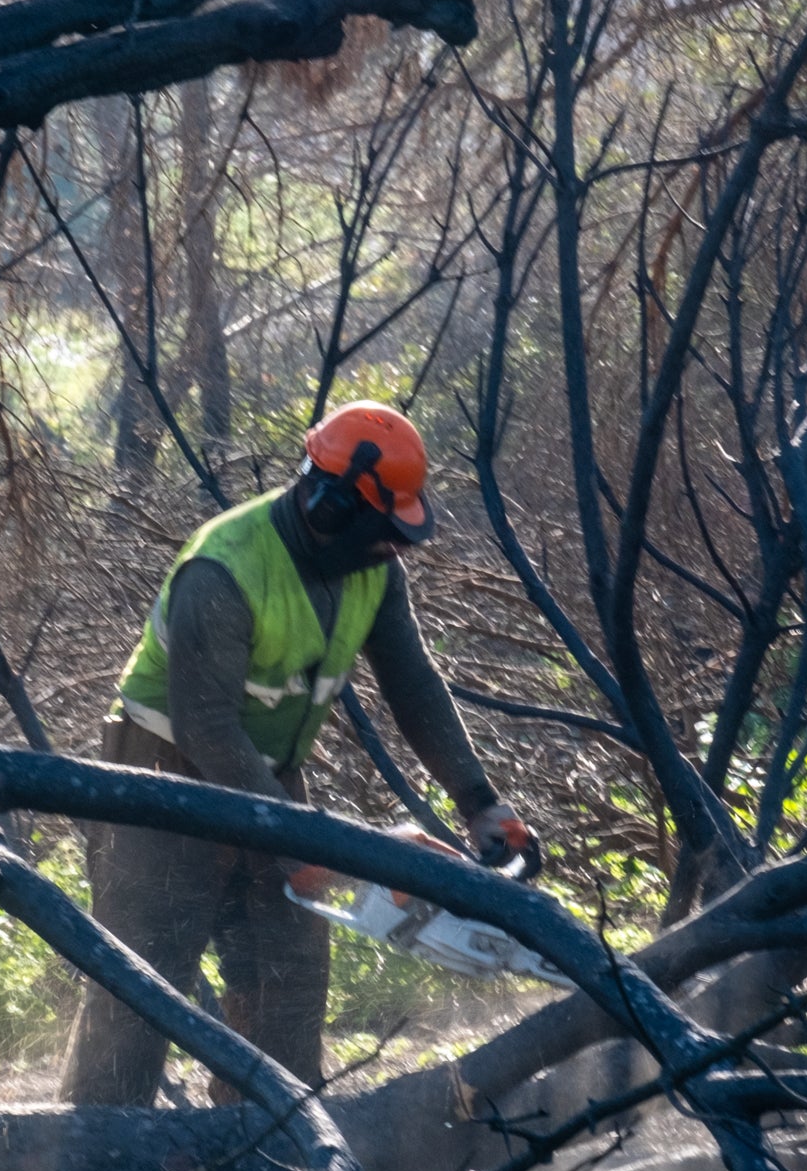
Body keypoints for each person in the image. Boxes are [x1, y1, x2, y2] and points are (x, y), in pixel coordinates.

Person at [61, 401, 530, 1106]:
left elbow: (413, 683)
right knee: (142, 976)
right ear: (331, 504)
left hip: (270, 773)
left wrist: (477, 799)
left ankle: (269, 1141)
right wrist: (298, 842)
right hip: (160, 772)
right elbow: (206, 728)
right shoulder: (224, 570)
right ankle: (85, 1158)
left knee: (290, 967)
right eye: (382, 532)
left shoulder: (375, 570)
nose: (392, 547)